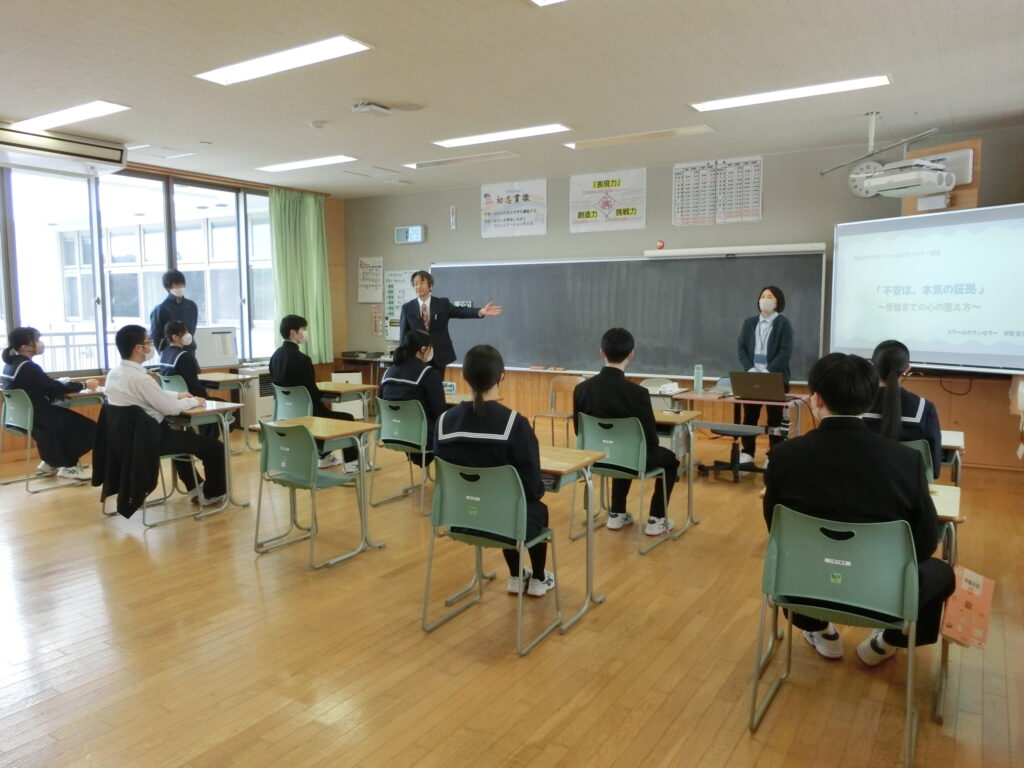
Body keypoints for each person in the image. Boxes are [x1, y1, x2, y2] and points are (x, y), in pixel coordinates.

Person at [762, 352, 955, 665]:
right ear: (868, 401)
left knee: (790, 557)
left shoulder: (784, 456)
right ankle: (887, 643)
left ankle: (819, 629)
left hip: (804, 585)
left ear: (816, 399)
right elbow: (924, 544)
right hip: (883, 593)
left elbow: (776, 529)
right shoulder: (906, 461)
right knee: (941, 573)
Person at [435, 345, 554, 597]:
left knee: (504, 504)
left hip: (461, 519)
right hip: (505, 522)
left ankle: (516, 575)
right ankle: (538, 578)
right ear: (501, 377)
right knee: (532, 508)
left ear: (464, 377)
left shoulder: (444, 422)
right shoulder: (515, 424)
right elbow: (532, 487)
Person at [103, 325, 226, 506]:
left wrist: (178, 395)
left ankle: (194, 487)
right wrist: (194, 401)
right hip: (148, 440)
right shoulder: (140, 378)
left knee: (185, 436)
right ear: (138, 348)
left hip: (126, 440)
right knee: (215, 448)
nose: (151, 345)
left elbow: (149, 395)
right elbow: (170, 409)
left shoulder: (115, 374)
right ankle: (212, 494)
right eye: (148, 342)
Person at [572, 327, 678, 536]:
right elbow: (650, 440)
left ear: (602, 352)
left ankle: (616, 513)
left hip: (595, 458)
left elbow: (579, 430)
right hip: (628, 458)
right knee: (670, 460)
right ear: (631, 354)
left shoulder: (581, 389)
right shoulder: (638, 393)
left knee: (621, 449)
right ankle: (657, 518)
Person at [1, 326, 98, 480]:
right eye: (36, 340)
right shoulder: (27, 367)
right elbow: (53, 387)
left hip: (23, 418)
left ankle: (50, 462)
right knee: (91, 429)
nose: (40, 343)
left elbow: (42, 385)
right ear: (24, 347)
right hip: (40, 416)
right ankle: (69, 467)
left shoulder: (10, 365)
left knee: (59, 426)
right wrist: (83, 384)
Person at [268, 314, 359, 471]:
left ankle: (324, 458)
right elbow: (311, 392)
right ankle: (351, 464)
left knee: (331, 416)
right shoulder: (302, 359)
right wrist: (328, 397)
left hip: (286, 413)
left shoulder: (275, 356)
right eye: (303, 329)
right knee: (347, 418)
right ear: (293, 333)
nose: (305, 333)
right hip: (308, 414)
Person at [863, 340, 942, 478]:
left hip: (860, 484)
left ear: (872, 366)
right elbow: (933, 468)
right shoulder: (924, 408)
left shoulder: (856, 404)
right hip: (908, 486)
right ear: (907, 369)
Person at [399, 270, 502, 371]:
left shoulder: (442, 304)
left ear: (430, 286)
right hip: (417, 355)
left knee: (437, 381)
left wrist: (480, 311)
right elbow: (403, 335)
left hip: (439, 354)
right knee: (418, 382)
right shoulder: (407, 308)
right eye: (415, 284)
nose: (418, 286)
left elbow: (461, 311)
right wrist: (402, 357)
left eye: (422, 283)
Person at [737, 285, 793, 465]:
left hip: (774, 378)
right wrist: (751, 369)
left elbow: (785, 352)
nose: (765, 299)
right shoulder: (750, 323)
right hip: (752, 376)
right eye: (763, 296)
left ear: (777, 301)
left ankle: (773, 455)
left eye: (770, 296)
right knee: (749, 417)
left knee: (775, 419)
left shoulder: (783, 324)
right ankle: (748, 453)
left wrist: (768, 372)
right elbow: (741, 348)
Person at [379, 329, 446, 466]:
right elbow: (439, 411)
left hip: (391, 434)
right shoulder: (428, 374)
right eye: (430, 347)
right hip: (421, 438)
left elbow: (381, 405)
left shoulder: (387, 373)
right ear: (423, 349)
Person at [150, 270, 198, 352]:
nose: (180, 287)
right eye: (177, 284)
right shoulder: (160, 309)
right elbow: (156, 336)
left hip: (189, 350)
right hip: (171, 351)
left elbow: (192, 329)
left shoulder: (191, 306)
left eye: (182, 284)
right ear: (168, 287)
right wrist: (164, 353)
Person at [159, 320, 208, 398]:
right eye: (184, 332)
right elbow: (193, 385)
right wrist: (205, 392)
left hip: (172, 398)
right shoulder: (185, 356)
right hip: (190, 398)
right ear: (175, 337)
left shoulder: (164, 354)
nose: (188, 335)